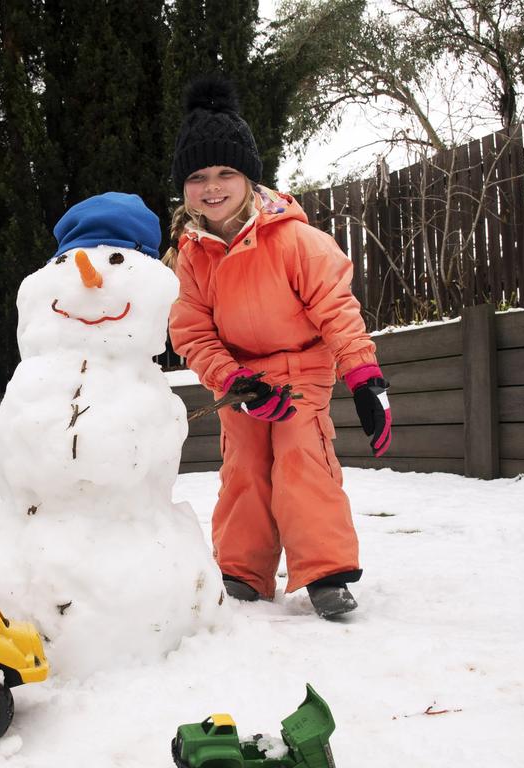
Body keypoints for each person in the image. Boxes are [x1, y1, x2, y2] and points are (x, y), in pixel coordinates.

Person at [165, 76, 392, 618]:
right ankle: (243, 570)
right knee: (242, 464)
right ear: (185, 188)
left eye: (226, 173)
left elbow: (337, 310)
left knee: (301, 456)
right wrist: (232, 381)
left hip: (302, 365)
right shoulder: (191, 255)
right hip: (239, 378)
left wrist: (364, 377)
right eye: (198, 177)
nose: (212, 187)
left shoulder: (296, 240)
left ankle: (327, 571)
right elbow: (192, 332)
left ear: (249, 178)